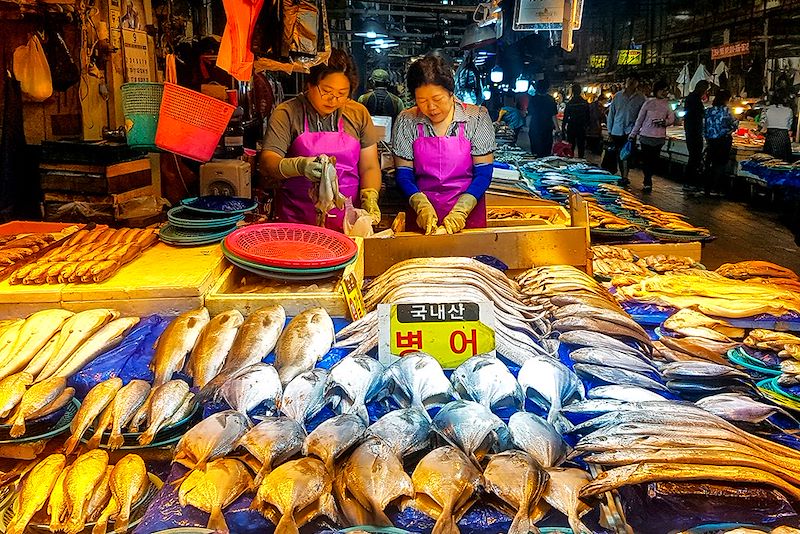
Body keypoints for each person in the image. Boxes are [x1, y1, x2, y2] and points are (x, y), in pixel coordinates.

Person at [259, 48, 382, 231]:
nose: (333, 99)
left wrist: (370, 196)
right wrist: (299, 166)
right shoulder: (287, 113)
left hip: (347, 223)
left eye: (342, 93)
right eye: (326, 91)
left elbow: (370, 166)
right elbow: (268, 161)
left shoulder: (358, 114)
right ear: (309, 84)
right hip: (296, 222)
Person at [392, 55, 496, 235]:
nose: (431, 107)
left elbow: (484, 173)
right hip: (421, 221)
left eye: (437, 99)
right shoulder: (406, 120)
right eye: (422, 101)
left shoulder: (476, 117)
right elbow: (404, 174)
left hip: (468, 218)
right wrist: (420, 204)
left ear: (450, 92)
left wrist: (463, 208)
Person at [629, 80, 675, 193]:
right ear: (656, 91)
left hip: (659, 138)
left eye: (666, 90)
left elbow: (671, 119)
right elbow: (639, 120)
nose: (664, 92)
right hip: (646, 136)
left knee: (654, 161)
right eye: (662, 90)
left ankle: (648, 179)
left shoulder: (667, 104)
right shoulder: (648, 103)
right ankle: (647, 182)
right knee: (647, 160)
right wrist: (633, 134)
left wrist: (665, 122)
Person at [607, 74, 646, 184]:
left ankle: (625, 176)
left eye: (634, 80)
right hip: (616, 130)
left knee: (626, 154)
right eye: (630, 79)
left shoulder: (641, 98)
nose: (631, 82)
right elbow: (611, 114)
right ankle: (617, 173)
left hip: (630, 132)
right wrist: (609, 131)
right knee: (617, 153)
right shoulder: (618, 96)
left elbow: (642, 116)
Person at [703, 89, 738, 196]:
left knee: (710, 163)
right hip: (723, 140)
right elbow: (735, 124)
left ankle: (707, 188)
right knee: (720, 164)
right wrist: (730, 130)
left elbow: (704, 126)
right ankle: (715, 188)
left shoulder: (709, 110)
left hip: (711, 140)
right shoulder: (726, 111)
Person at [683, 80, 709, 192]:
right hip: (694, 132)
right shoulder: (694, 99)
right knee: (694, 157)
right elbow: (697, 114)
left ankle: (689, 182)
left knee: (694, 157)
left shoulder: (692, 98)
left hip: (691, 131)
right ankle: (690, 182)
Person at [528, 79, 559, 158]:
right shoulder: (551, 100)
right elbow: (554, 116)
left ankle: (536, 167)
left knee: (535, 152)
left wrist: (528, 127)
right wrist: (558, 129)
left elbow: (529, 115)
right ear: (547, 88)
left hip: (534, 129)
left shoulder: (533, 99)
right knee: (546, 153)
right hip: (547, 129)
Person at [760, 92, 794, 161]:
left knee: (768, 161)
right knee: (784, 162)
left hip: (771, 137)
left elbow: (762, 124)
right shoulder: (789, 110)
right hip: (783, 138)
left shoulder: (766, 109)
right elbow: (789, 126)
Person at [562, 83, 590, 158]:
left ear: (572, 92)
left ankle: (571, 163)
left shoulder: (570, 104)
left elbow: (565, 118)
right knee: (581, 147)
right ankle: (581, 163)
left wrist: (563, 129)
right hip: (582, 127)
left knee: (571, 147)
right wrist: (587, 127)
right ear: (580, 91)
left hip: (572, 127)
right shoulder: (585, 103)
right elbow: (588, 117)